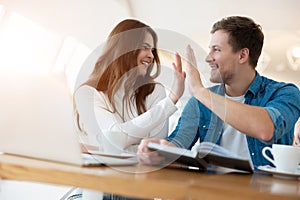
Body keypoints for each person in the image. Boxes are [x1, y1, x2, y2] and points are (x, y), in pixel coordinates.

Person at [137, 16, 300, 170]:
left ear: (243, 55)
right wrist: (160, 151)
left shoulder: (285, 93)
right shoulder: (199, 102)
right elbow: (178, 143)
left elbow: (266, 129)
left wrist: (200, 91)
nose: (208, 58)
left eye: (216, 50)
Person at [72, 19, 186, 200]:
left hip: (136, 189)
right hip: (96, 189)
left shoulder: (155, 91)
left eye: (152, 50)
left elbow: (153, 152)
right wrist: (170, 102)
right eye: (144, 47)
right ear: (124, 48)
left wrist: (106, 150)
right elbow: (115, 139)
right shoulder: (88, 93)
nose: (150, 55)